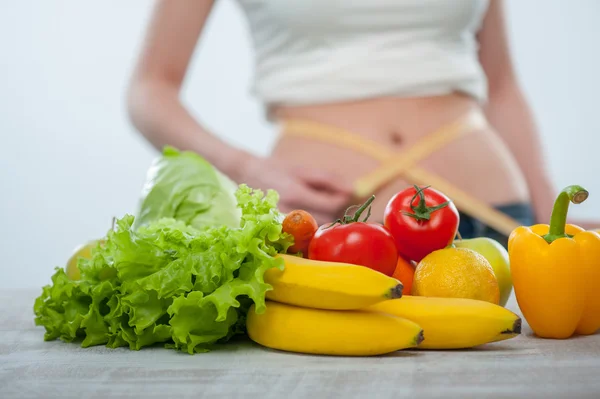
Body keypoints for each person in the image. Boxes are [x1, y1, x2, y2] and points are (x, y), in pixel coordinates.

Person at [126, 0, 598, 246]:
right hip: (330, 225)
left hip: (495, 213)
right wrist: (246, 168)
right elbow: (149, 89)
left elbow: (503, 87)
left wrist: (546, 219)